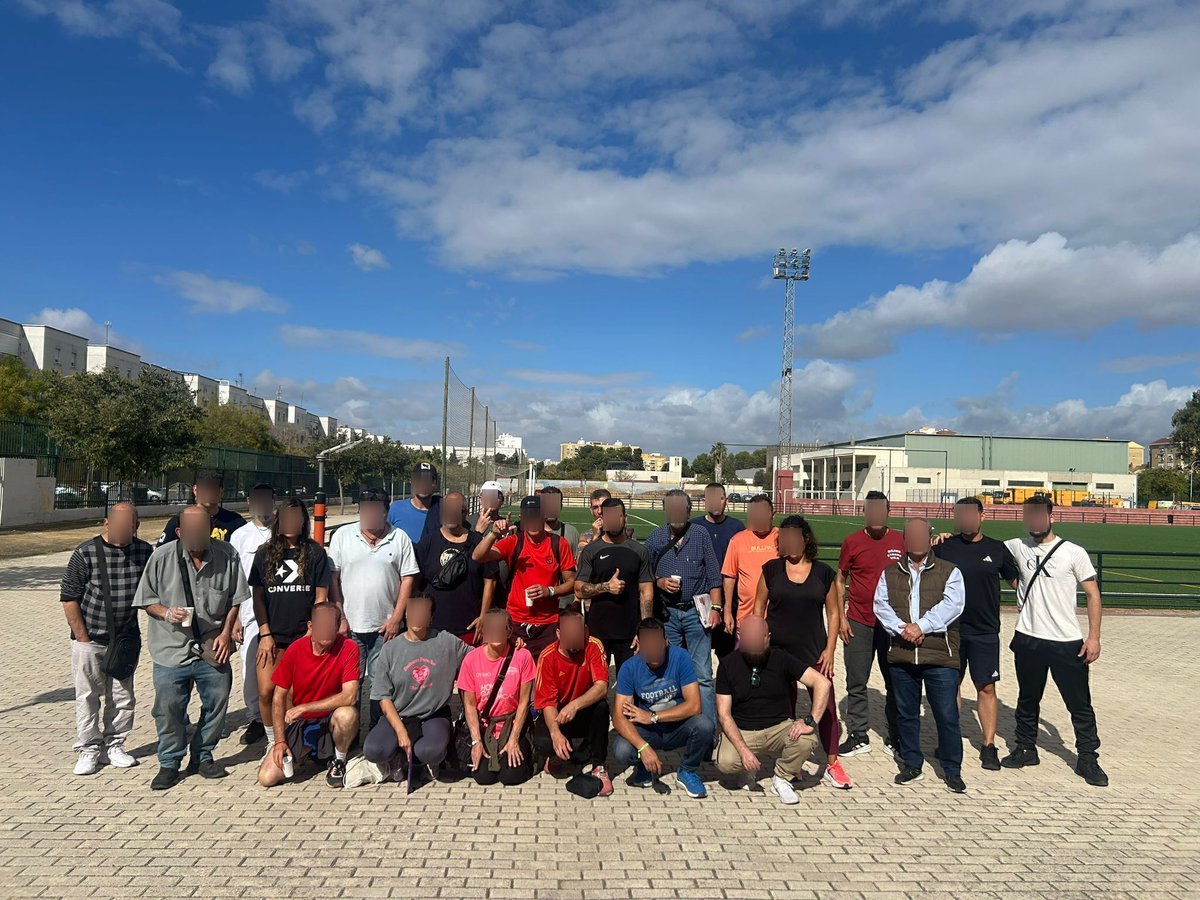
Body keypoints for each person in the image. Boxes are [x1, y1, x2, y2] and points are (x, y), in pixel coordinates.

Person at [134, 506, 249, 790]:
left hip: (212, 645)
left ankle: (203, 756)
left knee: (218, 702)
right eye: (192, 531)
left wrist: (226, 633)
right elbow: (146, 599)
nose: (199, 536)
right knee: (169, 708)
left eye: (204, 530)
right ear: (179, 532)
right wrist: (165, 612)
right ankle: (169, 763)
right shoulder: (161, 558)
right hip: (171, 648)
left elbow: (236, 598)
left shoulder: (227, 554)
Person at [1001, 496, 1107, 787]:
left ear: (1051, 517)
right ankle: (1025, 748)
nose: (1033, 521)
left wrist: (1094, 637)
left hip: (1066, 641)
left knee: (1079, 703)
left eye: (1038, 516)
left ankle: (1088, 757)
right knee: (1027, 699)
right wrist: (943, 537)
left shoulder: (1073, 552)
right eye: (1028, 516)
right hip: (1028, 637)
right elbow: (983, 549)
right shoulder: (1016, 547)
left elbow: (1093, 595)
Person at [754, 515, 852, 789]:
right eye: (784, 538)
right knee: (785, 708)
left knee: (827, 705)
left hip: (814, 652)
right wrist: (758, 642)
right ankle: (791, 763)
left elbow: (833, 613)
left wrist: (830, 649)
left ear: (805, 539)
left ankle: (832, 762)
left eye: (795, 537)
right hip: (777, 652)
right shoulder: (771, 570)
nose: (790, 542)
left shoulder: (823, 573)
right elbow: (757, 608)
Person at [873, 518, 967, 792]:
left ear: (930, 538)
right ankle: (912, 763)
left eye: (920, 534)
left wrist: (921, 626)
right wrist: (904, 630)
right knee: (906, 714)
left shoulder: (950, 571)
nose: (915, 539)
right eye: (910, 534)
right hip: (902, 654)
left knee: (946, 715)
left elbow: (953, 605)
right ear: (904, 539)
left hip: (940, 656)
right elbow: (882, 606)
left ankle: (952, 768)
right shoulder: (890, 572)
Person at [60, 502, 153, 775]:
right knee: (88, 696)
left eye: (130, 527)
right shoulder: (85, 553)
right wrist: (82, 638)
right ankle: (89, 749)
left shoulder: (144, 551)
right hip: (89, 639)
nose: (124, 532)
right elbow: (68, 597)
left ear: (136, 526)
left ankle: (115, 745)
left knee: (123, 696)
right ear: (106, 524)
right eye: (119, 526)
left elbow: (154, 590)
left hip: (125, 639)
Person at [932, 497, 1019, 770]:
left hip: (985, 632)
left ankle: (988, 745)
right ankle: (950, 740)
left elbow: (1018, 583)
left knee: (987, 687)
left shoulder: (997, 549)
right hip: (951, 630)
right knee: (950, 686)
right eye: (960, 514)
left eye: (971, 513)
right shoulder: (944, 546)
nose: (966, 519)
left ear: (982, 516)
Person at [327, 488, 419, 729]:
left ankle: (379, 735)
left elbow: (407, 579)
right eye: (365, 508)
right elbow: (333, 579)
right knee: (350, 685)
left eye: (376, 508)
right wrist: (341, 618)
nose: (370, 513)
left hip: (384, 628)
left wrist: (397, 618)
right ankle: (348, 739)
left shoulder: (399, 538)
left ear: (385, 512)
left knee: (381, 685)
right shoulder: (342, 536)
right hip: (350, 627)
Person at [249, 498, 331, 757]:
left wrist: (312, 633)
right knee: (265, 692)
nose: (291, 523)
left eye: (296, 517)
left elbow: (321, 597)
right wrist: (265, 633)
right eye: (286, 517)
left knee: (292, 696)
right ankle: (272, 741)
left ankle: (292, 742)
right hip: (272, 636)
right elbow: (258, 597)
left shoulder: (315, 553)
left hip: (302, 636)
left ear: (304, 521)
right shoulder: (265, 553)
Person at [715, 615, 826, 805]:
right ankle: (746, 770)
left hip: (779, 728)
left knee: (807, 740)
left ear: (768, 637)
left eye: (760, 637)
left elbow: (822, 683)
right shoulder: (727, 665)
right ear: (740, 635)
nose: (756, 642)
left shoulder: (781, 658)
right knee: (725, 762)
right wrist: (743, 751)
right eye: (751, 638)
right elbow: (724, 715)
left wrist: (810, 720)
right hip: (743, 730)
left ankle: (782, 777)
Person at [364, 594, 469, 788]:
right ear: (405, 614)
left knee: (430, 751)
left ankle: (421, 760)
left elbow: (479, 658)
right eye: (412, 611)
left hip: (432, 715)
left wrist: (514, 646)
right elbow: (383, 696)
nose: (417, 616)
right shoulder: (390, 649)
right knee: (374, 750)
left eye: (423, 612)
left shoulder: (447, 642)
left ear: (431, 617)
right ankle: (397, 757)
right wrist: (401, 731)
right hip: (398, 715)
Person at [256, 602, 360, 789]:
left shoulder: (349, 647)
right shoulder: (295, 650)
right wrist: (279, 741)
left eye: (332, 625)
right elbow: (278, 697)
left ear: (338, 627)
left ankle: (339, 760)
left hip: (331, 720)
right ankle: (305, 755)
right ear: (311, 627)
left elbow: (350, 696)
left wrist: (304, 707)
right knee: (266, 777)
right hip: (303, 723)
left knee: (348, 714)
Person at [611, 618, 713, 799]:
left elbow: (694, 706)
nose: (654, 651)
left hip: (676, 726)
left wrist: (652, 717)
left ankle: (687, 771)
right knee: (621, 749)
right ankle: (643, 767)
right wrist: (643, 748)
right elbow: (618, 717)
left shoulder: (680, 657)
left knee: (705, 725)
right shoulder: (629, 668)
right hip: (648, 732)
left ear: (666, 640)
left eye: (657, 644)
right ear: (639, 644)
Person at [644, 490, 721, 725]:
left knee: (703, 676)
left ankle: (706, 729)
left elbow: (713, 575)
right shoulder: (656, 537)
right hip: (667, 615)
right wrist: (659, 582)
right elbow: (645, 575)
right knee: (671, 673)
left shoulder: (700, 534)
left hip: (696, 612)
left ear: (688, 511)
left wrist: (716, 607)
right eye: (671, 508)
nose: (676, 512)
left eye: (680, 508)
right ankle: (676, 724)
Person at [837, 489, 904, 757]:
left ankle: (896, 735)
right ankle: (859, 734)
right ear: (864, 513)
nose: (875, 515)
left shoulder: (901, 541)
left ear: (888, 512)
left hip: (893, 626)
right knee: (856, 680)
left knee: (896, 682)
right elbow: (840, 579)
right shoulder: (852, 542)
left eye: (880, 510)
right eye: (870, 510)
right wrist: (841, 617)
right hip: (859, 622)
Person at [472, 495, 577, 659]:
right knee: (513, 672)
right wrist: (493, 534)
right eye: (528, 517)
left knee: (544, 674)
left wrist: (549, 591)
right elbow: (477, 557)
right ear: (522, 518)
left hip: (547, 624)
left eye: (536, 516)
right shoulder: (514, 542)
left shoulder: (559, 544)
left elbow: (572, 583)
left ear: (543, 516)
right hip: (516, 621)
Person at [533, 606, 613, 794]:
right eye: (569, 632)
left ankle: (599, 765)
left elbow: (601, 687)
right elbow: (547, 702)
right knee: (544, 742)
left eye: (578, 632)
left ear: (585, 631)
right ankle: (557, 753)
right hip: (558, 714)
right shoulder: (547, 657)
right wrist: (555, 733)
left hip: (583, 710)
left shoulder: (594, 645)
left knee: (601, 708)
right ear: (559, 633)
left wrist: (575, 705)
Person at [458, 608, 536, 786]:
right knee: (483, 777)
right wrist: (476, 741)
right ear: (483, 631)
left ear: (509, 631)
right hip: (486, 727)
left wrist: (514, 739)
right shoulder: (471, 660)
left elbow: (524, 702)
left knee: (511, 777)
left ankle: (527, 755)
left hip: (512, 724)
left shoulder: (522, 656)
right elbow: (469, 706)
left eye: (501, 628)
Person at [573, 497, 654, 670]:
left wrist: (645, 629)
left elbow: (646, 591)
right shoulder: (591, 551)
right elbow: (579, 590)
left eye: (617, 516)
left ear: (625, 518)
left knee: (629, 686)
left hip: (629, 632)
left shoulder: (639, 551)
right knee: (597, 684)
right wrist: (605, 587)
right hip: (598, 631)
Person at [415, 490, 498, 643]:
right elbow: (414, 583)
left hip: (468, 628)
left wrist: (483, 615)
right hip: (433, 629)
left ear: (465, 513)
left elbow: (490, 581)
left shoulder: (478, 542)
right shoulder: (427, 543)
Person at [229, 482, 276, 746]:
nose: (262, 504)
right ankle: (256, 718)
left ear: (273, 500)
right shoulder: (239, 536)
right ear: (249, 502)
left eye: (266, 498)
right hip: (248, 613)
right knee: (250, 667)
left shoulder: (282, 530)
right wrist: (234, 617)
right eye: (257, 499)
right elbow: (234, 579)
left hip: (281, 611)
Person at [694, 483, 745, 662]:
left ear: (726, 500)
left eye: (721, 498)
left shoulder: (737, 527)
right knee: (699, 652)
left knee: (728, 652)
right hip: (700, 598)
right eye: (712, 498)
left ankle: (726, 688)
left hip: (729, 598)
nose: (717, 502)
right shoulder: (694, 526)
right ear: (704, 501)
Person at [721, 494, 779, 646]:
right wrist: (727, 611)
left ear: (773, 514)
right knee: (745, 664)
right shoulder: (738, 540)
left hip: (778, 618)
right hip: (746, 619)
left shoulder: (782, 537)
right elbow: (729, 576)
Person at [156, 469, 246, 546]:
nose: (209, 492)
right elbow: (162, 554)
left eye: (213, 488)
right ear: (195, 490)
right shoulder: (178, 521)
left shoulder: (236, 522)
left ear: (221, 492)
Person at [387, 461, 441, 544]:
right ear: (412, 482)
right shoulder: (395, 509)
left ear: (435, 484)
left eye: (428, 480)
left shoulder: (442, 509)